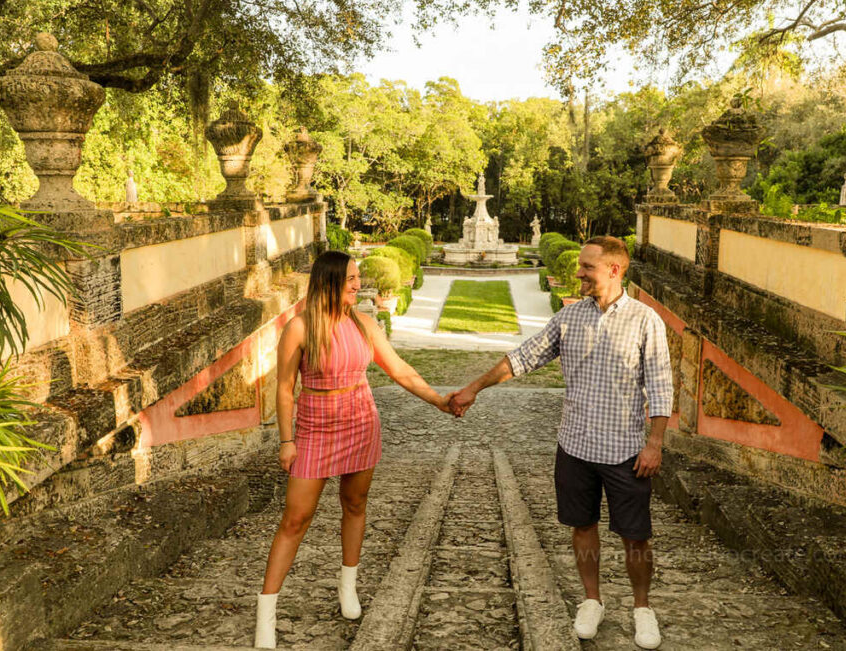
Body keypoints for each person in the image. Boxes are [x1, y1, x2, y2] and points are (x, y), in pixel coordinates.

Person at [448, 236, 672, 649]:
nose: (578, 272)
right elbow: (523, 357)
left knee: (636, 536)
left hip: (626, 451)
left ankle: (642, 608)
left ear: (614, 270)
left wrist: (654, 442)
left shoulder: (645, 320)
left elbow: (659, 387)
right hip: (575, 447)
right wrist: (473, 388)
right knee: (582, 527)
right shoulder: (569, 319)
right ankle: (592, 601)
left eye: (587, 267)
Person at [255, 250, 451, 649]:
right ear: (329, 282)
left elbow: (400, 370)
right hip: (313, 429)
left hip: (361, 422)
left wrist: (440, 401)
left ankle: (348, 588)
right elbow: (284, 388)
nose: (358, 285)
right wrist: (287, 440)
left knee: (355, 505)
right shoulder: (300, 327)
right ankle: (266, 616)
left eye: (358, 278)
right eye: (350, 279)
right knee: (295, 518)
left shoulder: (363, 324)